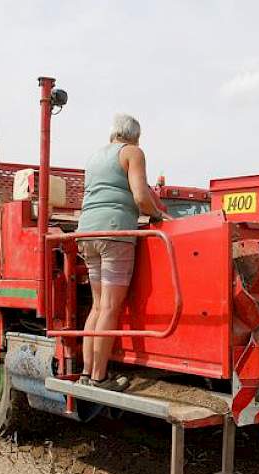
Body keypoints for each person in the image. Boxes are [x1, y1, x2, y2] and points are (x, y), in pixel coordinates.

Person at [76, 113, 169, 392]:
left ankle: (86, 372)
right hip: (115, 233)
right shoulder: (133, 152)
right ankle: (100, 377)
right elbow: (141, 197)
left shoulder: (94, 158)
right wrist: (159, 216)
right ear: (136, 136)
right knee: (110, 307)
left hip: (87, 233)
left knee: (97, 305)